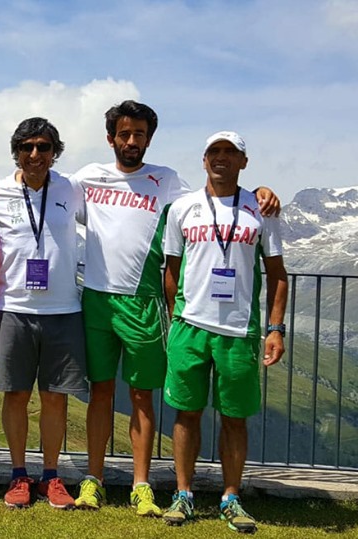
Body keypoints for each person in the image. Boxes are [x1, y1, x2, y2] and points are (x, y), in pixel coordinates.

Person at [70, 101, 280, 515]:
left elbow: (217, 200)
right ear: (110, 137)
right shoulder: (85, 178)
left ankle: (142, 484)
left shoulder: (166, 181)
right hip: (95, 297)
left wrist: (259, 191)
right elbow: (42, 194)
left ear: (149, 139)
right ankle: (92, 480)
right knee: (100, 392)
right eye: (125, 134)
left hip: (143, 302)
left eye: (141, 135)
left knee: (142, 395)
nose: (132, 142)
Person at [161, 132, 287, 533]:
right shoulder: (182, 207)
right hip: (190, 327)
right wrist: (174, 317)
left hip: (239, 331)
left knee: (234, 418)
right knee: (187, 413)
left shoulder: (261, 209)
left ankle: (231, 498)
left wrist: (275, 329)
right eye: (214, 152)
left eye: (230, 153)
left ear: (243, 163)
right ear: (203, 160)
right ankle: (184, 494)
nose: (221, 158)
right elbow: (171, 269)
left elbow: (278, 276)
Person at [0, 117, 87, 510]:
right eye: (27, 147)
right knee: (16, 394)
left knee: (55, 398)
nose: (35, 155)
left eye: (43, 147)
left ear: (55, 152)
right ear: (17, 151)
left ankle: (52, 477)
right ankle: (18, 475)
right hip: (14, 309)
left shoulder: (72, 188)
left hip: (64, 309)